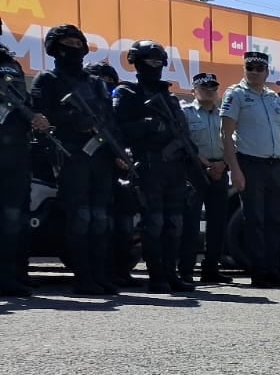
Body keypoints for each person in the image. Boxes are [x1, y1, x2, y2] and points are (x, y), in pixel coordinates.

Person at [30, 24, 122, 295]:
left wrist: (117, 151)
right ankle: (84, 277)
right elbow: (40, 117)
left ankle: (100, 274)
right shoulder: (47, 80)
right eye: (67, 44)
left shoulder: (94, 82)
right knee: (80, 217)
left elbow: (109, 118)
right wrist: (73, 120)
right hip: (71, 156)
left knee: (100, 218)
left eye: (77, 43)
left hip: (100, 156)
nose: (74, 48)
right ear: (55, 48)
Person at [112, 40, 199, 293]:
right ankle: (157, 276)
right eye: (150, 61)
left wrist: (188, 151)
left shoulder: (169, 97)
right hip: (149, 165)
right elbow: (119, 128)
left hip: (175, 168)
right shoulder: (127, 93)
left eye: (159, 62)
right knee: (154, 223)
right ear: (137, 63)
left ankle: (171, 274)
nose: (155, 66)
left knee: (175, 223)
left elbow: (182, 131)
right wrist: (150, 125)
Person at [222, 50, 280, 287]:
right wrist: (235, 169)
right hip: (250, 164)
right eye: (249, 68)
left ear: (267, 71)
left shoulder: (273, 98)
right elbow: (226, 135)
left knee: (275, 220)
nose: (254, 72)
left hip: (274, 166)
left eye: (259, 68)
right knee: (255, 221)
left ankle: (273, 270)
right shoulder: (236, 94)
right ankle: (259, 273)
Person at [0, 18, 49, 297]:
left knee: (17, 215)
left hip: (16, 150)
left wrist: (36, 117)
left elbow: (24, 101)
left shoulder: (11, 63)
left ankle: (16, 274)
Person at [180, 72, 234, 285]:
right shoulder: (186, 113)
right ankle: (185, 270)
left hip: (220, 170)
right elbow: (185, 143)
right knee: (191, 222)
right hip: (195, 171)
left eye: (213, 87)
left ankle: (211, 268)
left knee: (217, 223)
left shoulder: (224, 116)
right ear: (194, 90)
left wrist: (223, 164)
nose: (210, 91)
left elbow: (232, 142)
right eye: (204, 87)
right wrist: (207, 165)